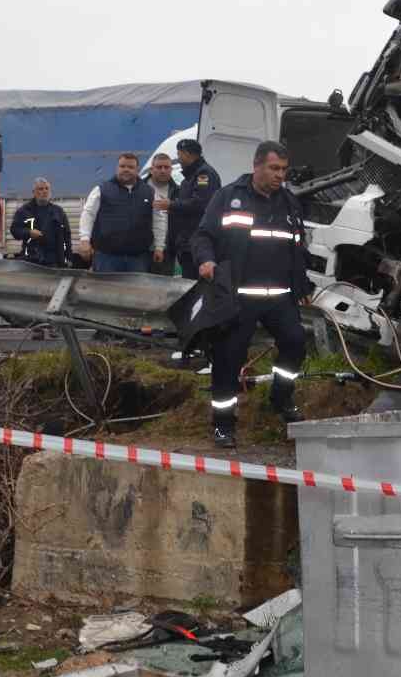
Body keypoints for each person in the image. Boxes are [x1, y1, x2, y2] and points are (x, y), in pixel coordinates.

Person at [190, 140, 311, 448]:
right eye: (273, 168)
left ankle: (280, 398)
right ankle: (223, 425)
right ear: (256, 166)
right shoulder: (228, 197)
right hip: (239, 296)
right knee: (228, 360)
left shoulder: (290, 204)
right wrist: (206, 260)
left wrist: (302, 286)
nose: (279, 175)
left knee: (296, 344)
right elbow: (203, 235)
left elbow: (298, 250)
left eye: (283, 169)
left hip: (279, 297)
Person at [77, 153, 167, 273]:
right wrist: (84, 240)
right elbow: (88, 215)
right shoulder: (101, 190)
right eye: (122, 166)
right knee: (105, 291)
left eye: (130, 167)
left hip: (138, 259)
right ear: (117, 168)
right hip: (106, 258)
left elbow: (159, 220)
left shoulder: (149, 192)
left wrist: (159, 247)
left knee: (136, 291)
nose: (126, 170)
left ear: (137, 170)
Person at [159, 139, 221, 276]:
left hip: (196, 242)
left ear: (187, 154)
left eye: (179, 154)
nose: (179, 158)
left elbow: (200, 203)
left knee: (194, 287)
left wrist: (171, 204)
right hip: (187, 242)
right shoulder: (191, 175)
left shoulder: (203, 174)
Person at [10, 177, 73, 267]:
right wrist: (29, 232)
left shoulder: (58, 212)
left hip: (53, 261)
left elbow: (67, 236)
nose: (44, 191)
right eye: (41, 189)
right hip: (31, 260)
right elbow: (14, 230)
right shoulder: (24, 211)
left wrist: (69, 258)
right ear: (34, 192)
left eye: (47, 188)